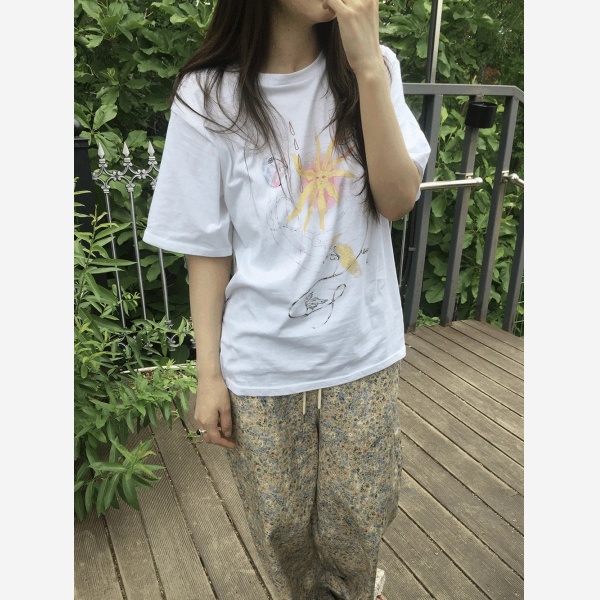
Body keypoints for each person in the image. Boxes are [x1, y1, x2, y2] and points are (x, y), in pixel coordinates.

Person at [143, 1, 430, 598]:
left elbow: (399, 199)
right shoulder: (208, 97)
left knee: (359, 519)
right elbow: (207, 250)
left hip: (360, 354)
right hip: (262, 364)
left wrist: (368, 70)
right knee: (280, 530)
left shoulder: (372, 68)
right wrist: (208, 376)